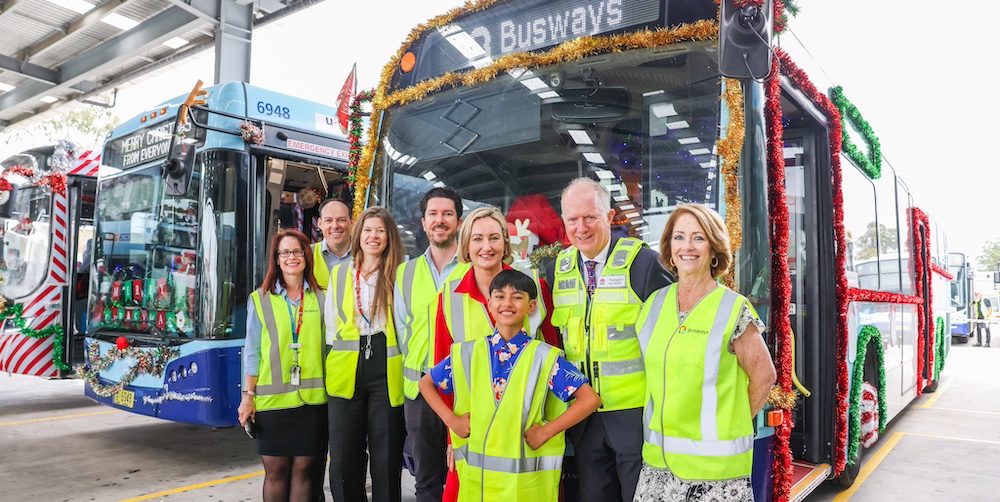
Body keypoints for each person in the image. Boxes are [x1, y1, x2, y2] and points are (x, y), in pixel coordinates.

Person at [633, 204, 776, 502]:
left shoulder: (733, 309)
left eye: (698, 238)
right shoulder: (653, 306)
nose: (687, 246)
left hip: (715, 475)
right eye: (679, 237)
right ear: (669, 248)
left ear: (714, 251)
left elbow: (764, 377)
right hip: (658, 468)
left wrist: (731, 423)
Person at [419, 270, 601, 502]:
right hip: (478, 488)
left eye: (517, 297)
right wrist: (451, 421)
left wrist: (546, 432)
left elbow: (590, 399)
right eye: (499, 296)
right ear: (489, 303)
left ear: (531, 306)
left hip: (526, 490)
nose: (507, 303)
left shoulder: (543, 357)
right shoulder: (467, 353)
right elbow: (426, 383)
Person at [549, 178, 672, 502]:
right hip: (583, 416)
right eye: (572, 219)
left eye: (589, 217)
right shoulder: (556, 270)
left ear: (610, 216)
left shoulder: (644, 263)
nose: (581, 227)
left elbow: (671, 338)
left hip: (635, 415)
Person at [431, 206, 561, 500]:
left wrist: (549, 429)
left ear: (505, 242)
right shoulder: (449, 297)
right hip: (473, 434)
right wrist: (452, 433)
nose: (486, 247)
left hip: (526, 432)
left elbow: (553, 354)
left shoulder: (535, 288)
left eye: (493, 238)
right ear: (465, 246)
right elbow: (440, 372)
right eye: (477, 239)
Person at [238, 228, 328, 502]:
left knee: (304, 471)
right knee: (276, 472)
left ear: (306, 257)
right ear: (276, 259)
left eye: (297, 251)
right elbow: (252, 352)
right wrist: (248, 398)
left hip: (312, 402)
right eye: (285, 252)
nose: (292, 257)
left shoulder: (322, 297)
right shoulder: (260, 298)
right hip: (271, 402)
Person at [393, 187, 470, 502]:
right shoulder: (405, 273)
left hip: (465, 392)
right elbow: (401, 334)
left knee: (465, 477)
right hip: (420, 393)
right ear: (423, 223)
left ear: (459, 222)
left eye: (447, 214)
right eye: (433, 214)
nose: (440, 220)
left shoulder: (474, 268)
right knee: (426, 482)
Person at [325, 207, 406, 502]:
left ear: (389, 237)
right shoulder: (341, 273)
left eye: (381, 231)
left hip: (386, 365)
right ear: (358, 235)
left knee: (386, 454)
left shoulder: (400, 273)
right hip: (347, 365)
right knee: (345, 454)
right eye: (368, 230)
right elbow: (331, 325)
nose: (374, 236)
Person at [314, 198, 354, 288]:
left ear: (352, 223)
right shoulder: (307, 254)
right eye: (328, 220)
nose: (335, 226)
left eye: (341, 220)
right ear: (320, 224)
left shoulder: (366, 254)